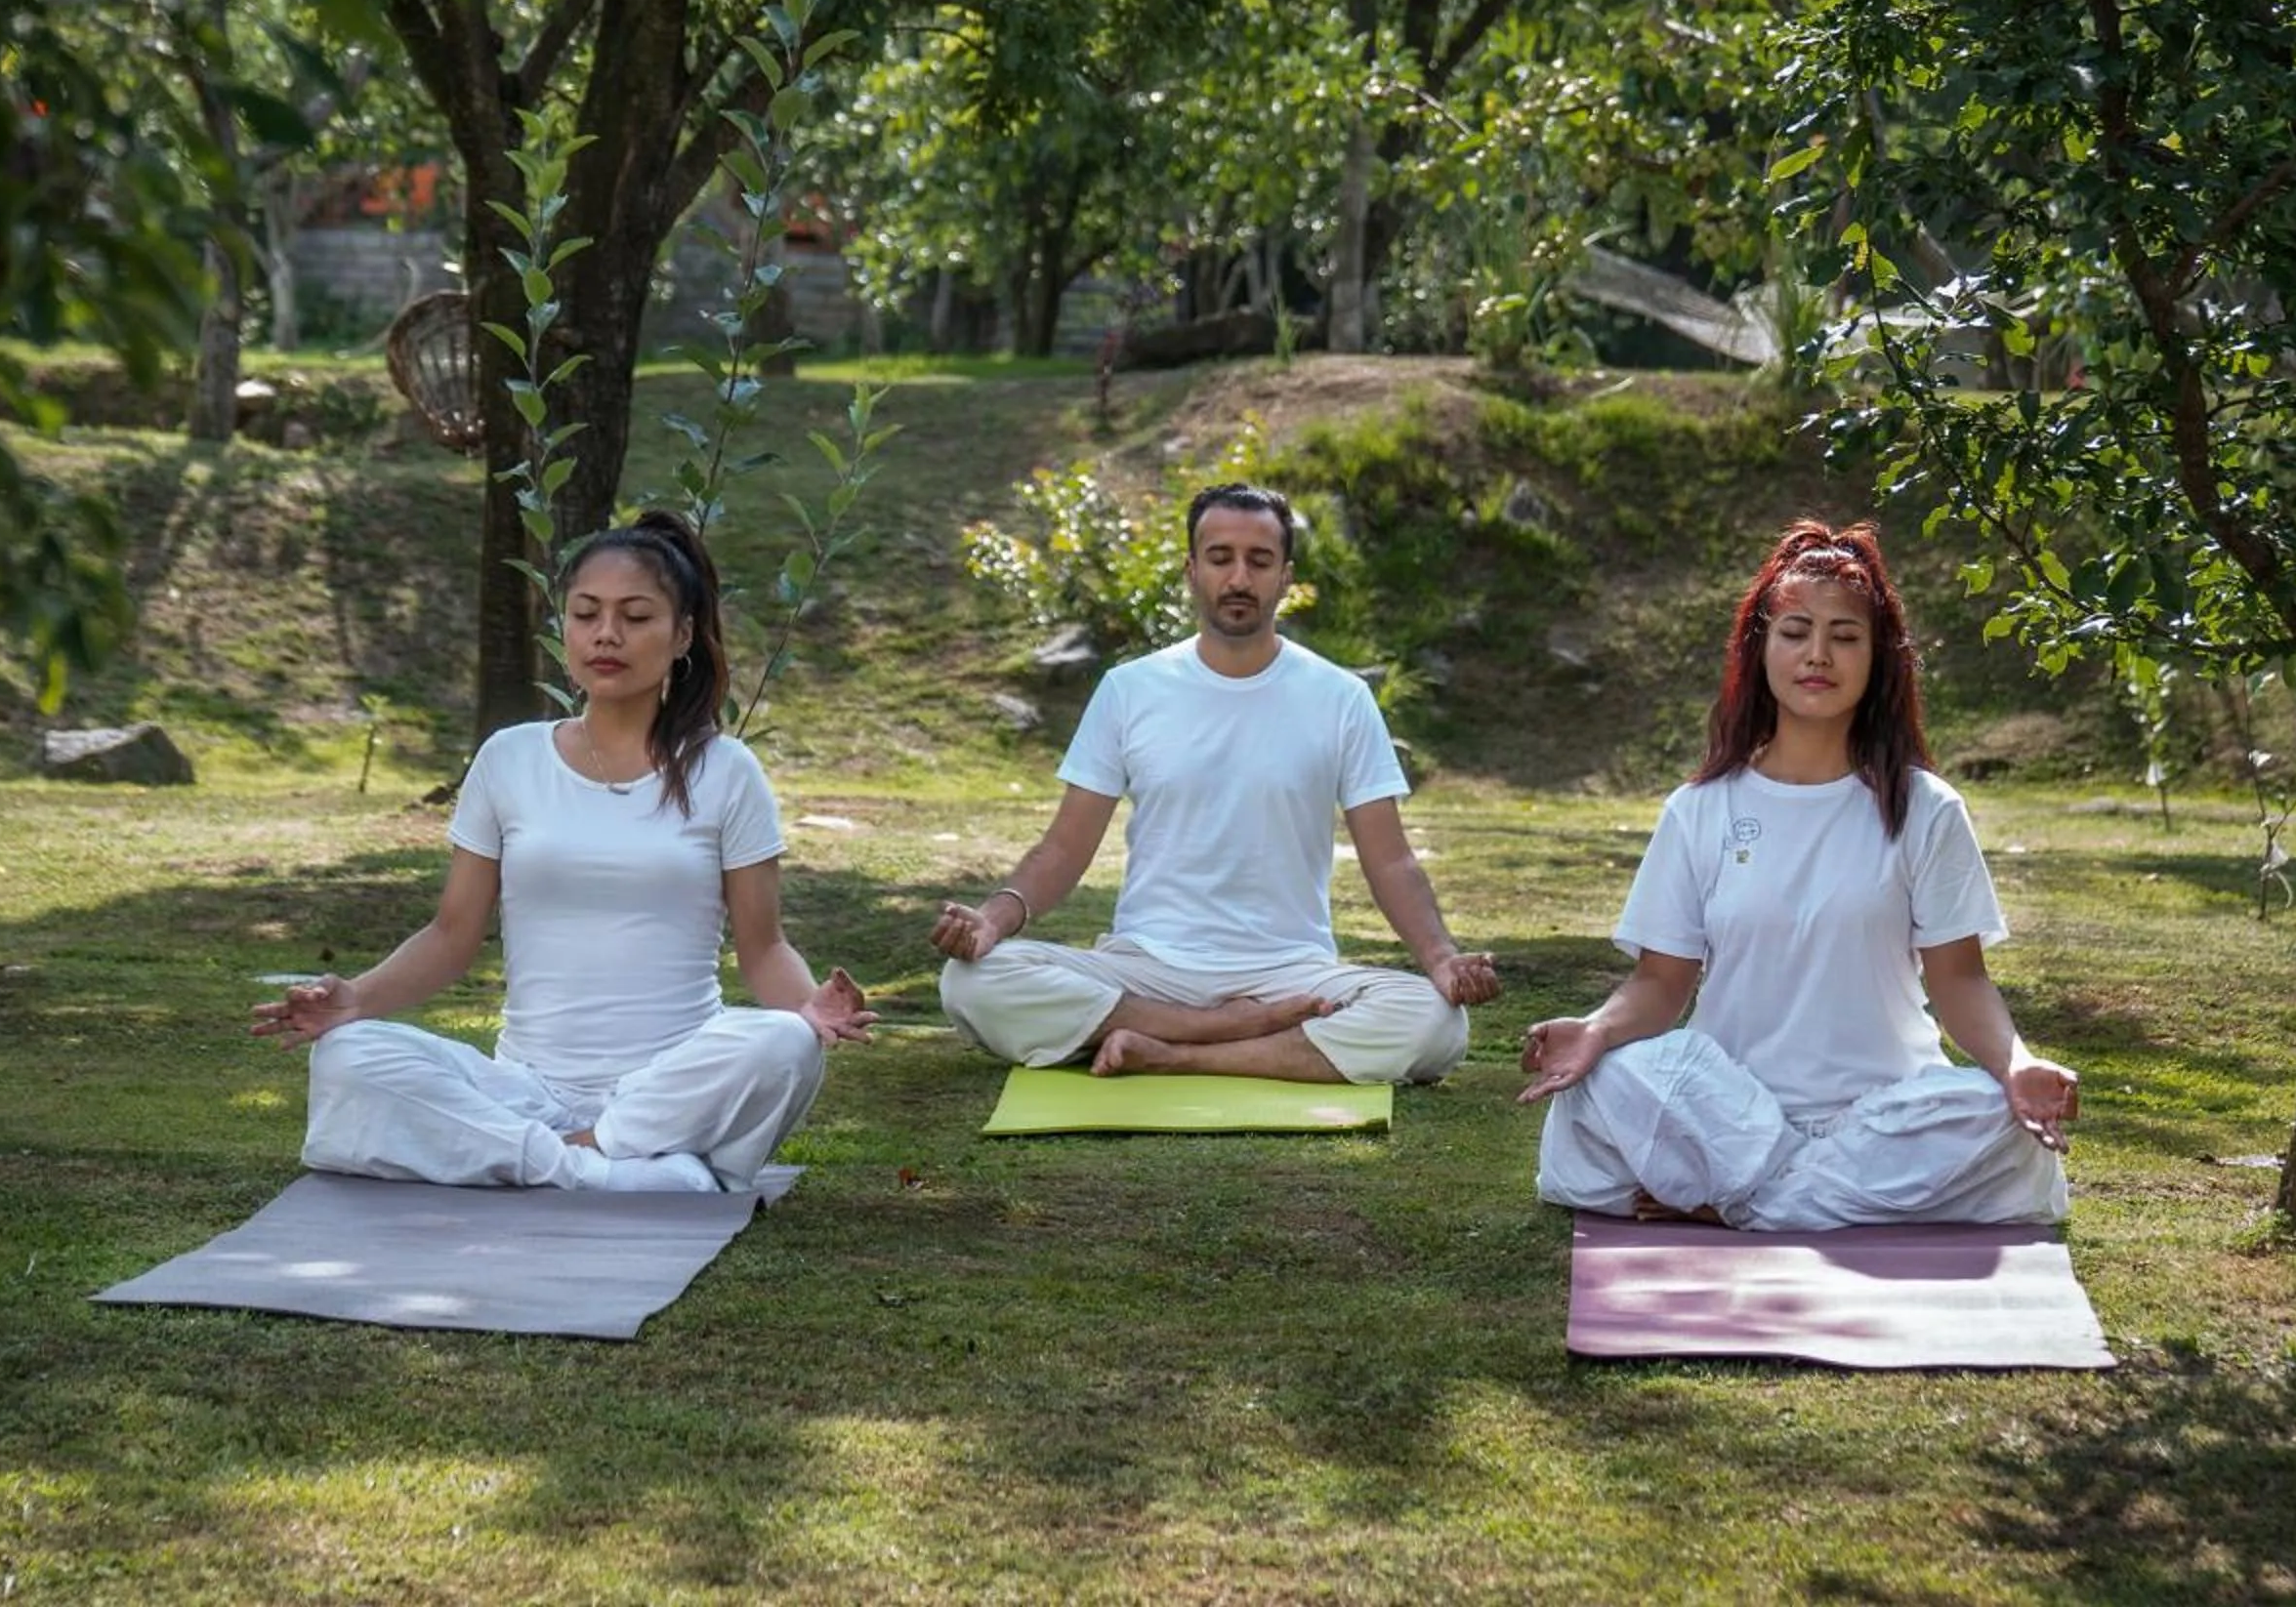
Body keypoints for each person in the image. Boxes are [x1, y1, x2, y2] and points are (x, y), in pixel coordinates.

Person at [249, 511, 874, 1193]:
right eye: (586, 614)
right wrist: (355, 1000)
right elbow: (452, 935)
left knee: (785, 1043)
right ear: (564, 627)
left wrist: (810, 1008)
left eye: (636, 616)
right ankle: (612, 1169)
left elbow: (763, 947)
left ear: (683, 635)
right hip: (526, 1092)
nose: (607, 634)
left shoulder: (726, 771)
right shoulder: (509, 758)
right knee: (348, 1056)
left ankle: (559, 1155)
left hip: (675, 1084)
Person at [1520, 519, 2075, 1229]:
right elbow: (1660, 984)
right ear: (1761, 649)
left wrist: (2017, 1063)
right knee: (1598, 1090)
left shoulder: (1926, 809)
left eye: (1845, 636)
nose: (1818, 655)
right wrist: (1596, 1031)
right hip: (1723, 1115)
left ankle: (1740, 1200)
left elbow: (1959, 981)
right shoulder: (1701, 809)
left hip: (1885, 1116)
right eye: (1795, 632)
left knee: (1996, 1121)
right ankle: (1806, 1196)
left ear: (1879, 658)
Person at [931, 482, 1497, 1083]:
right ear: (1191, 571)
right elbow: (1063, 849)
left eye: (1260, 561)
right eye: (1220, 558)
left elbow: (1391, 861)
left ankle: (1174, 1052)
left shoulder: (1342, 698)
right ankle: (1235, 1029)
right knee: (972, 981)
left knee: (1434, 1021)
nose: (1239, 579)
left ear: (1286, 577)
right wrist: (991, 920)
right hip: (1147, 966)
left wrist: (1441, 959)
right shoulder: (1130, 689)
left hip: (1288, 971)